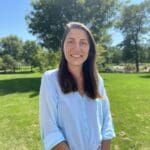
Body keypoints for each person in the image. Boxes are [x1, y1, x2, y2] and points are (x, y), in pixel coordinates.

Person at [39, 22, 115, 150]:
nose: (77, 48)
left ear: (90, 49)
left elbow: (106, 121)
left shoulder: (98, 80)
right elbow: (50, 129)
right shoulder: (50, 80)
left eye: (83, 43)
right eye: (71, 41)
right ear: (63, 46)